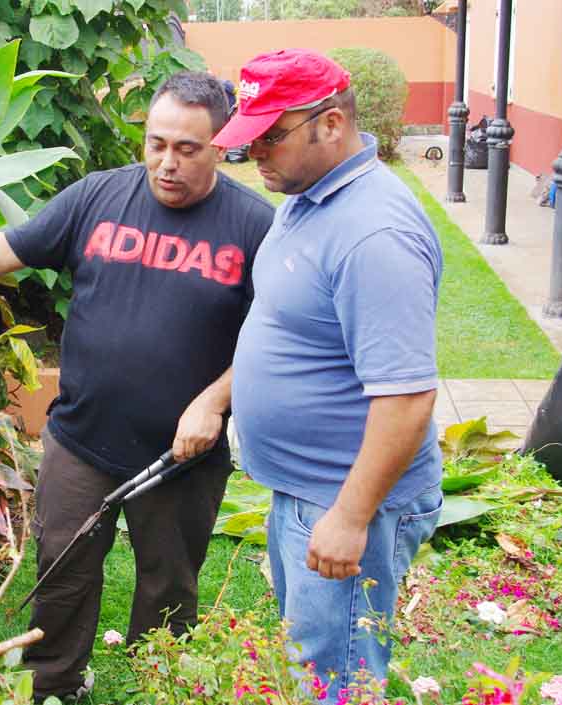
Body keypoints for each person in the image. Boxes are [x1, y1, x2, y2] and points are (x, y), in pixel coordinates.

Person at [0, 71, 275, 701]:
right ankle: (53, 687)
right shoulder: (99, 198)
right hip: (83, 437)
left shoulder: (253, 226)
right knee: (62, 573)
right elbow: (6, 248)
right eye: (155, 143)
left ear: (221, 146)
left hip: (179, 454)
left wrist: (215, 402)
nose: (166, 162)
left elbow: (276, 334)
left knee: (170, 583)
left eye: (187, 149)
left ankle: (158, 685)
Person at [213, 49, 444, 696]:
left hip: (343, 499)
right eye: (249, 138)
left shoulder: (375, 235)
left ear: (333, 124)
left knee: (333, 680)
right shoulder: (308, 195)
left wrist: (350, 514)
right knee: (310, 664)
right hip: (306, 488)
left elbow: (407, 397)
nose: (255, 152)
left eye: (271, 136)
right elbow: (289, 327)